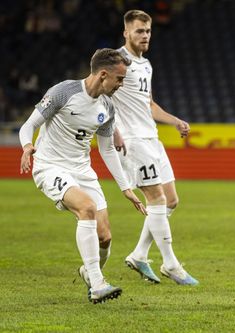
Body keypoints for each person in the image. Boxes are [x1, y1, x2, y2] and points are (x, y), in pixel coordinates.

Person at [19, 48, 147, 304]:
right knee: (86, 208)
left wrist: (125, 187)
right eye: (120, 79)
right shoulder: (63, 92)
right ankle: (98, 284)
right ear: (103, 75)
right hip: (50, 165)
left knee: (105, 237)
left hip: (83, 170)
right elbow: (29, 125)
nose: (121, 85)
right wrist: (26, 147)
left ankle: (88, 271)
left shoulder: (108, 107)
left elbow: (108, 149)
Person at [111, 9, 198, 285]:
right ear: (126, 32)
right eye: (139, 31)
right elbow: (101, 98)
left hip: (152, 139)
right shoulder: (116, 62)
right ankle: (171, 264)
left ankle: (138, 255)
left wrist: (174, 121)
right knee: (157, 200)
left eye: (148, 31)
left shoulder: (146, 65)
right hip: (133, 142)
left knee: (170, 201)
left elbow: (147, 104)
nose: (145, 35)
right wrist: (113, 131)